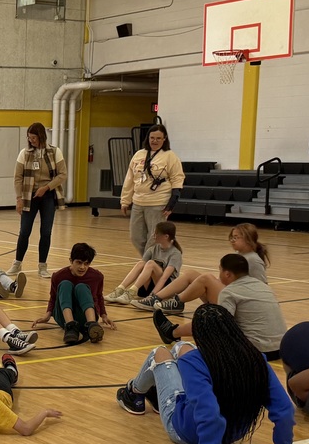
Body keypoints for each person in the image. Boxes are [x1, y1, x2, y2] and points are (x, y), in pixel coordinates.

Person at [115, 304, 296, 444]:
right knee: (182, 346)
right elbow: (284, 408)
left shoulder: (195, 361)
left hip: (188, 434)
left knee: (160, 353)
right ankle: (150, 394)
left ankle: (133, 393)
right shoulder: (255, 358)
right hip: (233, 434)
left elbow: (208, 410)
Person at [152, 254, 286, 359]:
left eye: (220, 270)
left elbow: (218, 324)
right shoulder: (262, 285)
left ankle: (172, 332)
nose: (219, 274)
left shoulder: (230, 291)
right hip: (279, 348)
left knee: (208, 327)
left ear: (227, 274)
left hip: (255, 351)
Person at [133, 223, 269, 313]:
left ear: (248, 239)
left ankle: (177, 302)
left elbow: (261, 289)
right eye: (231, 237)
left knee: (206, 278)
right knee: (191, 274)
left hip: (236, 304)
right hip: (228, 296)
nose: (232, 240)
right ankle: (156, 298)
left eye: (236, 237)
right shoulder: (240, 255)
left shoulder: (253, 260)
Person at [9, 122, 67, 280]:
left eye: (33, 137)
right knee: (24, 231)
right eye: (29, 137)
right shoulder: (24, 153)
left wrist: (47, 187)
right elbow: (18, 177)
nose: (31, 140)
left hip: (48, 196)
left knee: (46, 232)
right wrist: (19, 198)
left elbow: (62, 174)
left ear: (41, 136)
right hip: (29, 197)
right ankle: (17, 263)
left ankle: (42, 266)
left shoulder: (55, 152)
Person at [120, 124, 185, 255]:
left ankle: (148, 265)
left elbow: (177, 179)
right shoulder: (139, 154)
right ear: (148, 138)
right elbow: (129, 179)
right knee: (136, 237)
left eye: (158, 138)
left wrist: (172, 203)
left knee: (154, 238)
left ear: (164, 139)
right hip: (138, 201)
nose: (154, 141)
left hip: (158, 203)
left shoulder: (170, 156)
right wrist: (125, 200)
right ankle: (150, 261)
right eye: (152, 138)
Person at [33, 242, 115, 344]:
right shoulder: (58, 276)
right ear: (71, 261)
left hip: (84, 316)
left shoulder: (97, 276)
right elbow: (53, 298)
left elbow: (99, 296)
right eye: (79, 262)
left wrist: (104, 315)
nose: (82, 267)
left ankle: (92, 325)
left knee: (82, 287)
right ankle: (70, 326)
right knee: (65, 284)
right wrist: (47, 315)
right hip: (63, 317)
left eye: (86, 263)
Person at [105, 222, 183, 307]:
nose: (153, 235)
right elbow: (141, 267)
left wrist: (153, 296)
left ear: (166, 236)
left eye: (156, 233)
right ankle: (120, 289)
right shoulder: (153, 249)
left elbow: (165, 278)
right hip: (149, 287)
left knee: (150, 263)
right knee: (141, 263)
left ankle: (131, 292)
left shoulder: (175, 254)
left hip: (166, 289)